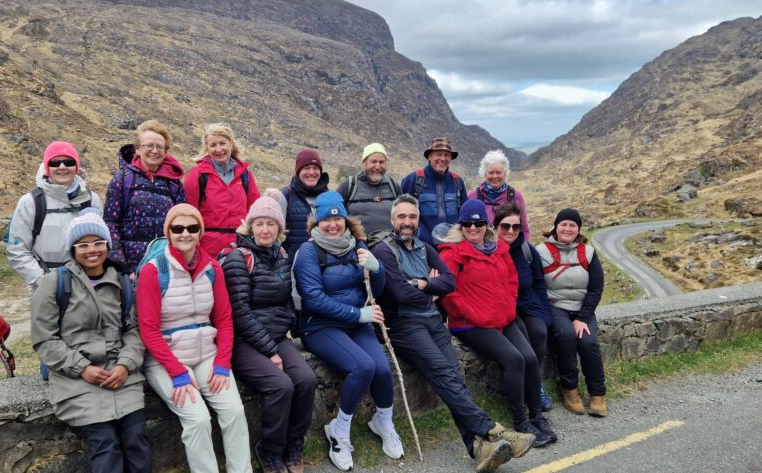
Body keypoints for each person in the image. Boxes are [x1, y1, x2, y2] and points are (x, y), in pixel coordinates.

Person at [372, 194, 533, 472]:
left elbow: (447, 283)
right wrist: (428, 286)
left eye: (412, 217)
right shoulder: (384, 251)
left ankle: (476, 446)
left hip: (432, 321)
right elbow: (398, 292)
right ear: (392, 219)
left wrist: (421, 284)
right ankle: (495, 431)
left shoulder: (424, 248)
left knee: (455, 377)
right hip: (404, 325)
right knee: (443, 373)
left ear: (418, 220)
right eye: (402, 217)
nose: (407, 222)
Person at [30, 210, 151, 473]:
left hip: (121, 375)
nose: (91, 250)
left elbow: (134, 330)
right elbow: (44, 339)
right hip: (75, 378)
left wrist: (125, 365)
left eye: (98, 242)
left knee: (136, 441)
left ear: (107, 245)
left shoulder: (122, 282)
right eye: (83, 244)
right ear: (72, 250)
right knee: (105, 444)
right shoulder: (53, 283)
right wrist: (82, 368)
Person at [137, 204, 251, 473]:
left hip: (207, 355)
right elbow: (148, 329)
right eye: (178, 228)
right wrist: (177, 372)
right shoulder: (154, 271)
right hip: (167, 359)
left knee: (234, 412)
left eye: (192, 228)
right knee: (198, 419)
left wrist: (223, 362)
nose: (185, 234)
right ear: (168, 232)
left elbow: (224, 319)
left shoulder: (213, 268)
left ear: (201, 232)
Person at [291, 191, 400, 471]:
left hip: (356, 322)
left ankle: (383, 422)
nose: (332, 224)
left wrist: (377, 270)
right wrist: (358, 314)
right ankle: (338, 430)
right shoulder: (308, 252)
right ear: (317, 222)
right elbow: (313, 299)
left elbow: (373, 291)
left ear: (345, 220)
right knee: (362, 367)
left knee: (383, 369)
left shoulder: (357, 246)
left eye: (337, 218)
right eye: (326, 219)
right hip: (319, 325)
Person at [439, 200, 555, 448]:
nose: (473, 227)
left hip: (502, 318)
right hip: (471, 324)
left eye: (478, 222)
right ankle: (521, 422)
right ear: (461, 224)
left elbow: (512, 280)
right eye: (467, 223)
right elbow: (449, 293)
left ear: (486, 224)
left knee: (531, 358)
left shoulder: (498, 248)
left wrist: (508, 307)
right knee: (514, 360)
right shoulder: (452, 252)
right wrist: (475, 314)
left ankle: (537, 417)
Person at [223, 189, 316, 473]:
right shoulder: (239, 259)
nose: (265, 229)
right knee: (281, 385)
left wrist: (285, 330)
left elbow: (287, 299)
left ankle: (293, 443)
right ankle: (270, 449)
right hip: (244, 342)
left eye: (271, 223)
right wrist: (270, 350)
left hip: (276, 336)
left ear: (279, 228)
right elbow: (239, 311)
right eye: (259, 224)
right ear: (250, 227)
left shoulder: (281, 254)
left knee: (307, 379)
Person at [535, 209, 607, 417]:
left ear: (578, 229)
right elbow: (537, 284)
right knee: (566, 336)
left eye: (572, 225)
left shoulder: (589, 252)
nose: (567, 229)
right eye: (563, 224)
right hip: (555, 307)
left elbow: (596, 287)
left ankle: (598, 393)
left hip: (582, 310)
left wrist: (583, 317)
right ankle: (570, 389)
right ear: (555, 227)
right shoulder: (541, 252)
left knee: (589, 342)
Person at [494, 202, 559, 432]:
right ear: (495, 227)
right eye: (505, 226)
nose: (511, 231)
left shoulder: (526, 250)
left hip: (527, 305)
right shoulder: (491, 250)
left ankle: (536, 383)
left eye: (516, 227)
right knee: (522, 341)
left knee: (540, 332)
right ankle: (527, 389)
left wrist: (544, 313)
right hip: (507, 308)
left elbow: (540, 284)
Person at [7, 141, 103, 291]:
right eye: (55, 162)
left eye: (68, 162)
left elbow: (101, 244)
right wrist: (44, 282)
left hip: (88, 286)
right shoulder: (31, 202)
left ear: (76, 167)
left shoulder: (92, 200)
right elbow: (17, 249)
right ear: (47, 168)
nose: (62, 167)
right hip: (45, 288)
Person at [104, 119, 186, 274]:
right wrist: (119, 262)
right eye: (149, 146)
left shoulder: (174, 184)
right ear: (137, 149)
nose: (154, 151)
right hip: (130, 265)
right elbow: (110, 222)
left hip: (165, 262)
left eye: (159, 147)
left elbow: (181, 224)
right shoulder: (122, 179)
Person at [185, 123, 260, 258]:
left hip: (240, 249)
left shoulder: (245, 175)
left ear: (230, 144)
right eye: (213, 145)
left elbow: (255, 211)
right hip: (206, 251)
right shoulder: (197, 175)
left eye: (222, 143)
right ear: (207, 148)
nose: (218, 149)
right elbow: (189, 214)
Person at [400, 137, 468, 245]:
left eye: (447, 155)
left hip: (452, 248)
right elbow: (400, 214)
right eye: (438, 154)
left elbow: (465, 216)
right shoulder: (414, 180)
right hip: (421, 248)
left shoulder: (457, 182)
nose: (443, 158)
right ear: (430, 156)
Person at [335, 143, 400, 237]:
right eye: (373, 161)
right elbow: (334, 214)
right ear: (364, 163)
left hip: (389, 247)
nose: (378, 166)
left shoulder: (393, 185)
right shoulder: (349, 185)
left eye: (381, 162)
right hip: (359, 247)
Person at [468, 151, 531, 242]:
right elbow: (465, 226)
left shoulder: (516, 196)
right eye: (491, 172)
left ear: (505, 174)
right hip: (481, 250)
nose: (495, 176)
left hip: (510, 250)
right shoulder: (472, 196)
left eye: (498, 172)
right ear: (484, 174)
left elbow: (524, 228)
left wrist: (525, 249)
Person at [281, 148, 329, 258]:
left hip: (324, 266)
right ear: (298, 172)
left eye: (315, 168)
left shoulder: (329, 197)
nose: (311, 172)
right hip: (292, 266)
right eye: (306, 168)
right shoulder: (285, 196)